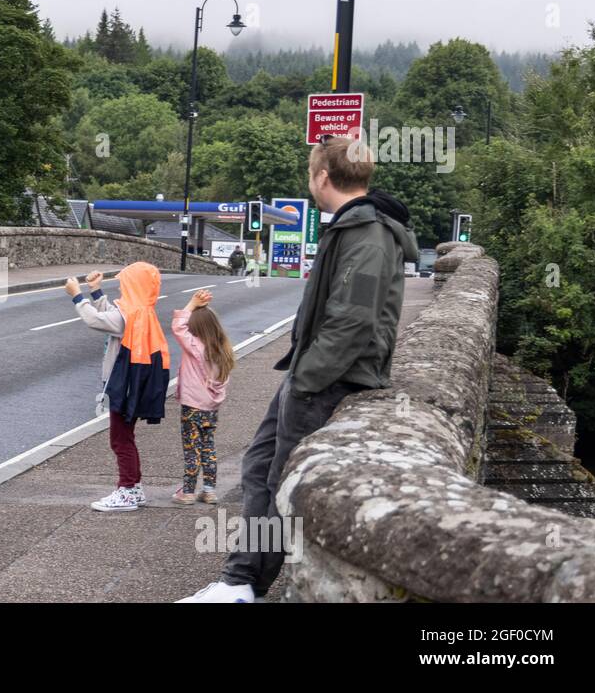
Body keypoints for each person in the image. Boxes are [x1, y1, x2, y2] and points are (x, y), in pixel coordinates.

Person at [179, 135, 418, 603]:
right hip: (313, 374)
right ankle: (240, 581)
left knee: (279, 479)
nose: (310, 182)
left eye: (312, 173)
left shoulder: (367, 233)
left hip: (329, 380)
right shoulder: (354, 225)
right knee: (261, 465)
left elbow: (353, 321)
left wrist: (307, 379)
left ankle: (244, 585)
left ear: (322, 176)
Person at [67, 262, 172, 512]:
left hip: (124, 387)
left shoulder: (130, 314)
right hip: (135, 384)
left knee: (120, 440)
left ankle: (126, 490)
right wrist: (96, 292)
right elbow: (111, 319)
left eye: (125, 283)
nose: (122, 287)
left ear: (134, 285)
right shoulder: (141, 311)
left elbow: (96, 321)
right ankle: (134, 488)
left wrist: (77, 296)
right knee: (126, 438)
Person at [169, 289, 234, 506]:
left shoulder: (196, 347)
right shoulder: (222, 350)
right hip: (211, 408)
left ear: (196, 329)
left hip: (192, 407)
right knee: (208, 447)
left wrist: (191, 304)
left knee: (191, 448)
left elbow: (178, 326)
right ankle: (209, 490)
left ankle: (187, 491)